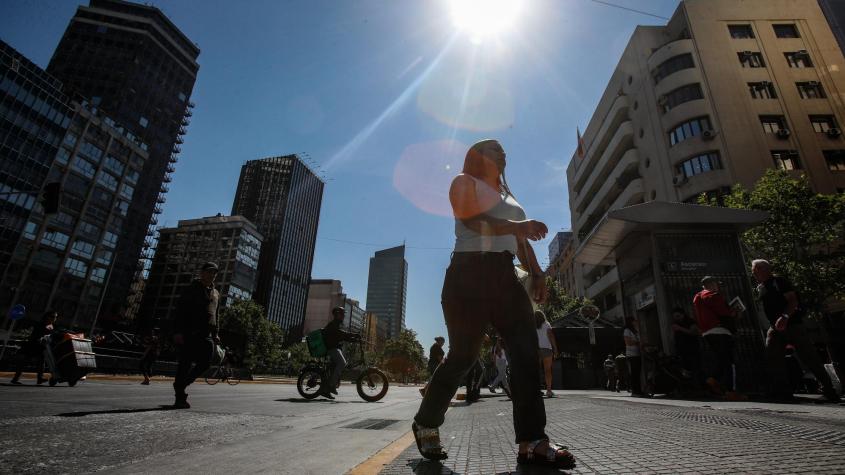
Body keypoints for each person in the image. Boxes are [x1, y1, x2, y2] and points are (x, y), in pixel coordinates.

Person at [412, 139, 575, 469]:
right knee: (463, 356)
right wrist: (519, 226)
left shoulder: (510, 198)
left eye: (504, 151)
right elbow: (470, 220)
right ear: (477, 156)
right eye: (493, 149)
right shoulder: (464, 182)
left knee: (526, 352)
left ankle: (532, 440)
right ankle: (426, 422)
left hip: (504, 275)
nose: (502, 154)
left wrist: (538, 273)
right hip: (467, 275)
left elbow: (520, 242)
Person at [752, 259, 840, 403]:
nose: (753, 273)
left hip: (792, 325)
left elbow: (793, 300)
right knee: (773, 358)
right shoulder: (761, 287)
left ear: (765, 269)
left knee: (810, 358)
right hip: (775, 327)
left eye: (755, 270)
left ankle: (830, 392)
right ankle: (783, 393)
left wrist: (785, 317)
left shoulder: (779, 281)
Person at [172, 261, 220, 409]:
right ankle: (180, 396)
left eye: (214, 273)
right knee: (185, 363)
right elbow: (180, 310)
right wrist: (178, 331)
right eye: (209, 271)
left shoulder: (216, 293)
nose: (212, 275)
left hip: (207, 334)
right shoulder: (191, 289)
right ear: (202, 273)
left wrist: (216, 333)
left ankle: (183, 383)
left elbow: (216, 314)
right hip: (190, 332)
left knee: (207, 361)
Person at [693, 276, 743, 400]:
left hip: (708, 332)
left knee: (722, 359)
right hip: (720, 330)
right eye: (716, 284)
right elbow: (724, 314)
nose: (718, 286)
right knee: (729, 362)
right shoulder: (713, 295)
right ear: (712, 284)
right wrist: (734, 315)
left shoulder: (697, 297)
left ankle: (713, 380)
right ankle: (731, 391)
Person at [322, 306, 361, 399]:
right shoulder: (334, 324)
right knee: (342, 363)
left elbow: (342, 337)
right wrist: (353, 335)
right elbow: (341, 334)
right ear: (337, 314)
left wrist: (354, 339)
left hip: (335, 348)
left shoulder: (337, 324)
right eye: (342, 314)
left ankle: (326, 390)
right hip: (331, 349)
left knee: (335, 367)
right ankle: (331, 385)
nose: (343, 316)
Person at [10, 310, 57, 385]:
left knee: (41, 362)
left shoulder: (50, 326)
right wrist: (40, 338)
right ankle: (16, 379)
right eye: (52, 317)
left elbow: (49, 336)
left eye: (55, 317)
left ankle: (39, 378)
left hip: (40, 347)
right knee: (24, 362)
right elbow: (35, 335)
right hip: (32, 345)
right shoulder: (40, 324)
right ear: (47, 317)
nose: (54, 319)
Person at [671, 307, 700, 380]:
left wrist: (680, 328)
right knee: (686, 373)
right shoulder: (676, 324)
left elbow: (694, 332)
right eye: (675, 317)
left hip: (692, 351)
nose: (676, 318)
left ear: (683, 314)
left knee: (696, 370)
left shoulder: (690, 321)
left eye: (678, 316)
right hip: (682, 353)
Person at [536, 311, 558, 398]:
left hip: (536, 350)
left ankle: (537, 389)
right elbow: (551, 335)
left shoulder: (532, 325)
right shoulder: (546, 324)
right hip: (547, 349)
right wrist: (555, 349)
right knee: (548, 370)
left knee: (536, 370)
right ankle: (548, 390)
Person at [623, 317, 644, 397]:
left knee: (638, 373)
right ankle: (635, 391)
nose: (636, 322)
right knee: (634, 373)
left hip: (637, 353)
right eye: (634, 321)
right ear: (631, 322)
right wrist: (638, 342)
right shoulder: (627, 331)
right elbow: (628, 342)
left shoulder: (635, 331)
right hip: (632, 354)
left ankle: (639, 390)